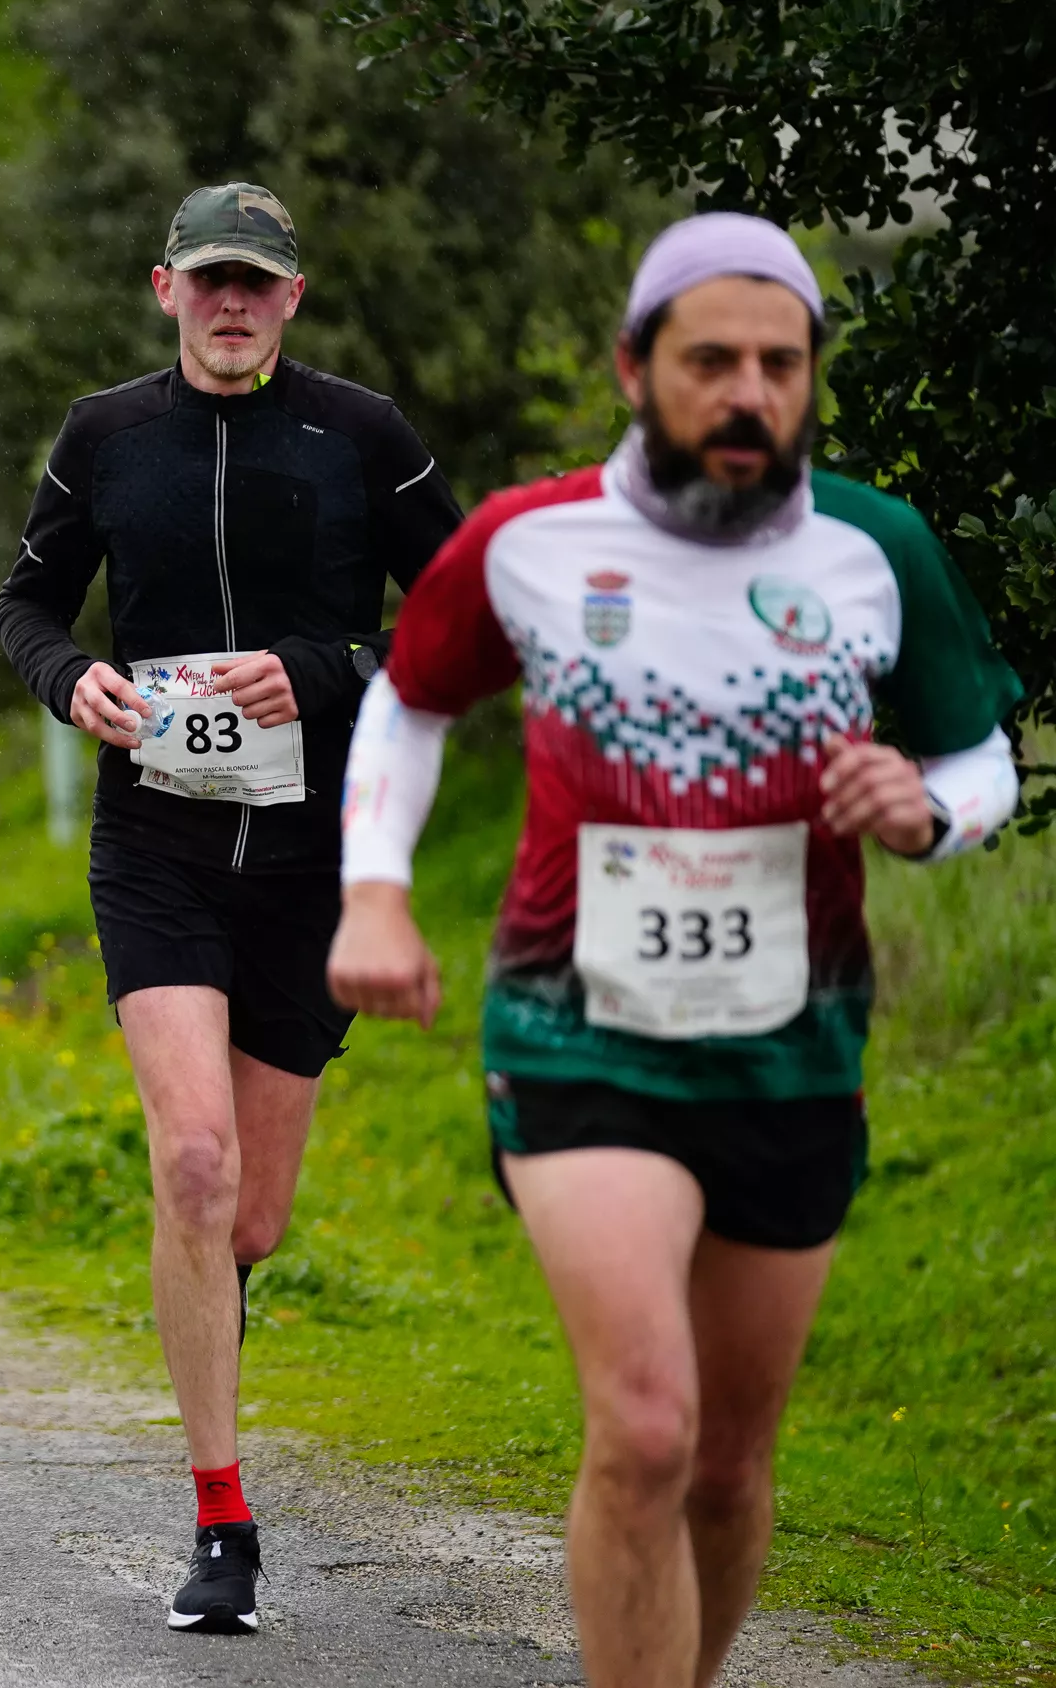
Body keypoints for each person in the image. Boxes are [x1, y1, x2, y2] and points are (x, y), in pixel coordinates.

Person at [328, 214, 1021, 1688]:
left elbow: (981, 762)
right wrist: (374, 893)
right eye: (713, 361)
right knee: (645, 1424)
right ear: (636, 367)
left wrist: (927, 810)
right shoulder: (530, 538)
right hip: (574, 1031)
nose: (750, 394)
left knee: (725, 1465)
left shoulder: (876, 548)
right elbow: (411, 699)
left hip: (794, 1044)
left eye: (782, 364)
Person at [0, 183, 463, 1634]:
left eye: (258, 283)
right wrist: (70, 681)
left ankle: (213, 1309)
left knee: (248, 1215)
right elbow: (23, 604)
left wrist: (326, 668)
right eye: (210, 282)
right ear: (165, 288)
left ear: (294, 300)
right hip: (159, 849)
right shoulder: (104, 433)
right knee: (190, 1166)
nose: (233, 304)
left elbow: (458, 625)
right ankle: (221, 1518)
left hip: (314, 863)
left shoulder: (364, 435)